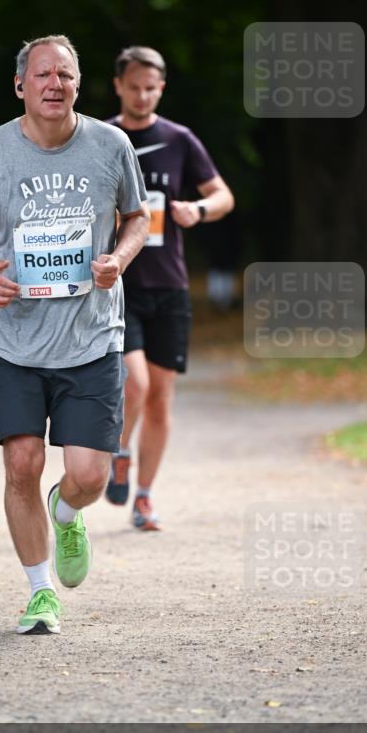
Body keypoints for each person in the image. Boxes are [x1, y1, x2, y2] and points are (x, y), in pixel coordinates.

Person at [0, 35, 149, 635]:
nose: (53, 84)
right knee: (21, 463)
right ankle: (41, 594)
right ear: (21, 85)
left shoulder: (110, 145)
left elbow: (138, 216)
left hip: (90, 337)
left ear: (79, 85)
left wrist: (120, 257)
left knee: (89, 474)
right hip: (15, 339)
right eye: (42, 75)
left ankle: (67, 512)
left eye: (65, 74)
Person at [105, 46, 235, 529]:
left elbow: (223, 195)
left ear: (161, 88)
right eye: (133, 86)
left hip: (170, 286)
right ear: (118, 85)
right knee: (133, 384)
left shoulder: (179, 139)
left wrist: (196, 210)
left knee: (161, 396)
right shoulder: (100, 136)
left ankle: (144, 496)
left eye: (151, 87)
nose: (142, 95)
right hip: (118, 285)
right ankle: (119, 451)